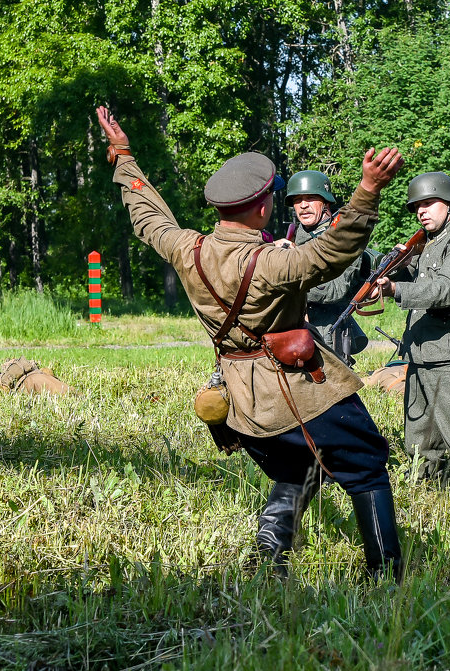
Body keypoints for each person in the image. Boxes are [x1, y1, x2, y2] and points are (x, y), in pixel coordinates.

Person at [95, 106, 405, 579]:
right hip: (301, 393)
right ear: (262, 207)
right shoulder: (270, 262)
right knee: (366, 467)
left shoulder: (186, 249)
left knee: (299, 468)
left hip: (242, 404)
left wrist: (123, 156)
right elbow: (331, 252)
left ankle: (271, 548)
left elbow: (146, 214)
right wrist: (367, 193)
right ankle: (387, 577)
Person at [371, 172, 450, 504]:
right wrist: (400, 265)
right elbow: (427, 278)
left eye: (429, 203)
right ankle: (429, 504)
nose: (421, 212)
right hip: (422, 354)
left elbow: (448, 288)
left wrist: (396, 288)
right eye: (417, 206)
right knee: (420, 445)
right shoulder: (432, 241)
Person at [278, 170, 369, 365]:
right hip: (293, 334)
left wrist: (288, 281)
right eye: (298, 200)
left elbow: (337, 290)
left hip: (328, 334)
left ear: (326, 202)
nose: (303, 205)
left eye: (310, 198)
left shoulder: (344, 238)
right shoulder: (294, 238)